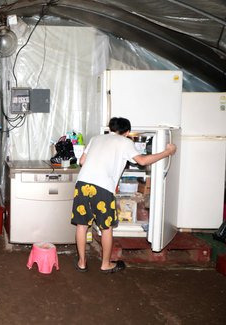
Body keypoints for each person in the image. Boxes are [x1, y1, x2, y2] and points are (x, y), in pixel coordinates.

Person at [70, 117, 177, 273]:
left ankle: (82, 263)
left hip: (82, 184)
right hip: (102, 188)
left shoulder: (96, 138)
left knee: (82, 225)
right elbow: (142, 161)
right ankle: (106, 264)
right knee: (106, 228)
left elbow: (82, 161)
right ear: (127, 132)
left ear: (111, 128)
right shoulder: (125, 142)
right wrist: (168, 152)